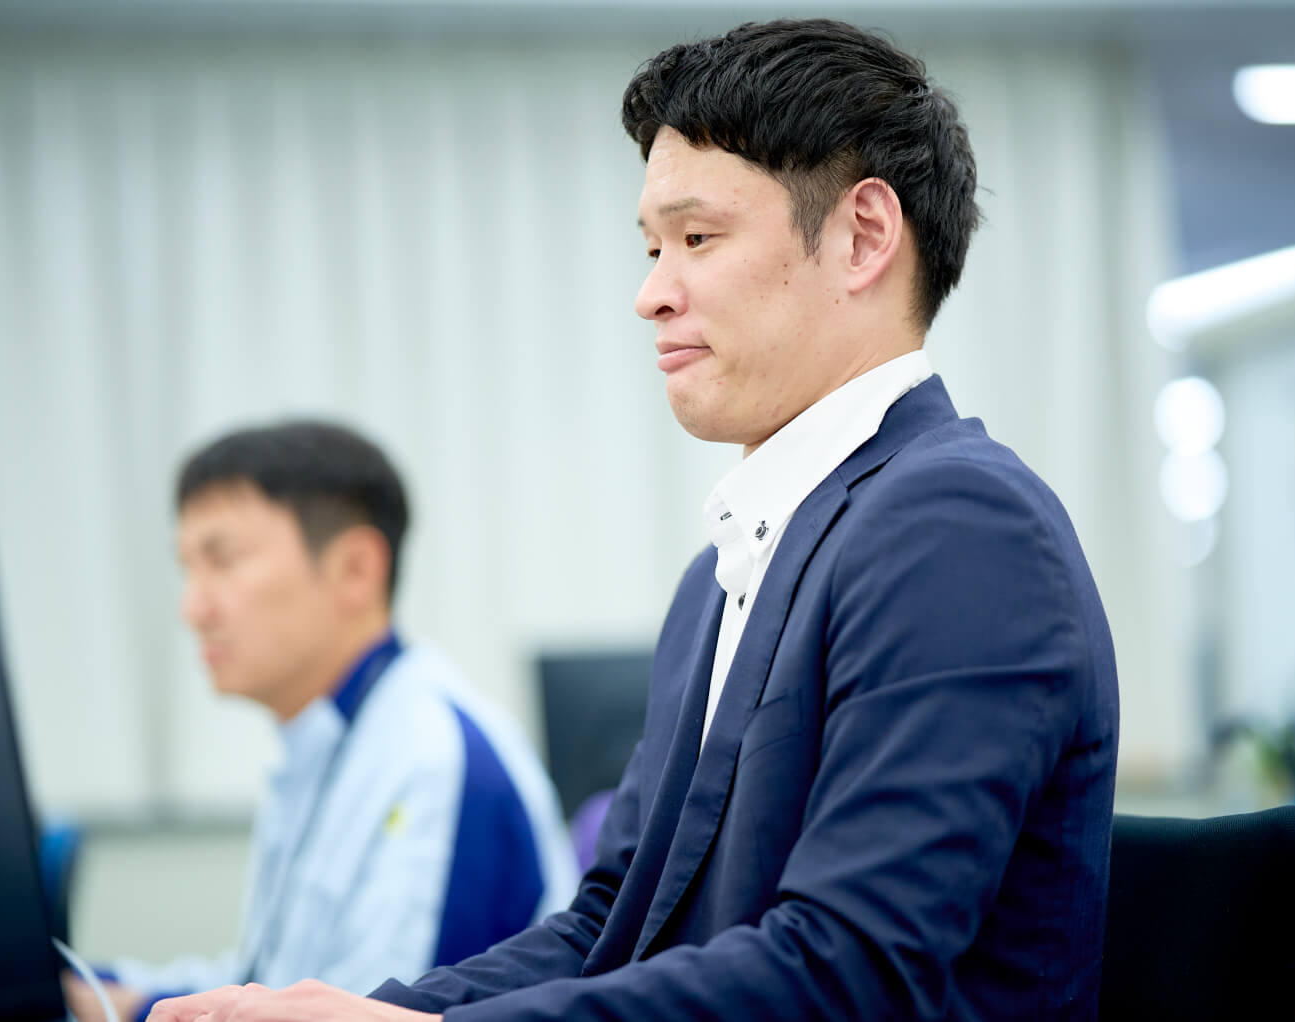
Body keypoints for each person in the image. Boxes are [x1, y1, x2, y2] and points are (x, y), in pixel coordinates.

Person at [150, 18, 1119, 1022]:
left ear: (863, 235)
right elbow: (606, 926)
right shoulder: (722, 575)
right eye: (654, 248)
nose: (651, 294)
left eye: (697, 239)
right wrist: (378, 1010)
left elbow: (848, 969)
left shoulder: (957, 528)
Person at [66, 421, 576, 1022]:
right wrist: (114, 989)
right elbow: (270, 977)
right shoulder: (328, 742)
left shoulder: (433, 759)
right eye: (188, 569)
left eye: (222, 561)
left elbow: (376, 1013)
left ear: (356, 569)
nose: (192, 608)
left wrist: (139, 1011)